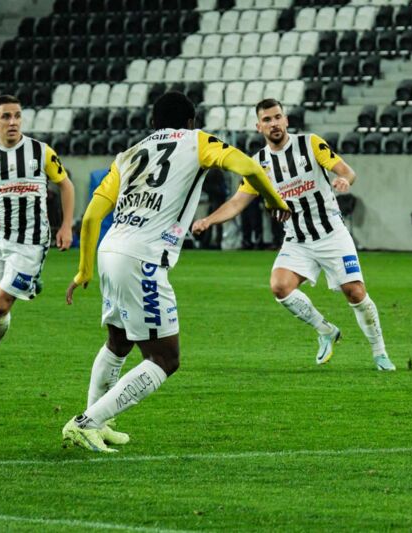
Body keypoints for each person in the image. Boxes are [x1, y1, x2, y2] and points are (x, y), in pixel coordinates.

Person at [62, 92, 289, 453]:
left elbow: (90, 217)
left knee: (119, 342)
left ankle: (97, 422)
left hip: (110, 251)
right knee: (165, 359)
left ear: (153, 123)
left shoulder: (128, 155)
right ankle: (85, 423)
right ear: (191, 122)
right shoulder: (197, 141)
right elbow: (249, 168)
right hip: (143, 258)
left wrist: (83, 270)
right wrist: (275, 200)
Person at [192, 98, 396, 371]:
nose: (274, 123)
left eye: (278, 117)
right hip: (297, 239)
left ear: (286, 120)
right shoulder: (258, 164)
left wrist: (344, 180)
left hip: (331, 233)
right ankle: (325, 330)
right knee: (280, 286)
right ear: (258, 127)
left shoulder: (310, 144)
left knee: (355, 292)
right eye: (267, 120)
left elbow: (346, 171)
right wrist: (208, 220)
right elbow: (237, 202)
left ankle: (380, 354)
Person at [0, 94, 75, 372]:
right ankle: (31, 282)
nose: (13, 122)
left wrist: (66, 226)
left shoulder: (41, 151)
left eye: (17, 116)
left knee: (0, 305)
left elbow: (66, 186)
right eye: (6, 116)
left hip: (31, 242)